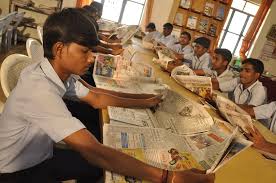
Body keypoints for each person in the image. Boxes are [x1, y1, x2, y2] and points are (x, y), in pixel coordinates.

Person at [0, 8, 215, 183]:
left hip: (40, 152)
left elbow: (97, 98)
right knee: (99, 161)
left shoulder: (57, 71)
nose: (92, 58)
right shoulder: (39, 89)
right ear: (59, 49)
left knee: (96, 168)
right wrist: (171, 177)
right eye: (85, 51)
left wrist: (145, 101)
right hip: (16, 170)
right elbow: (94, 151)